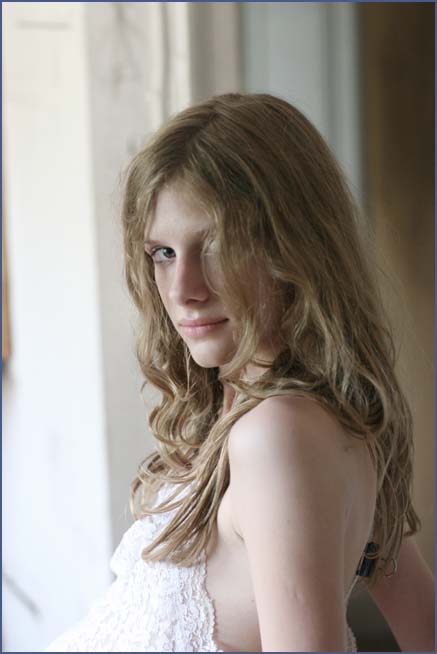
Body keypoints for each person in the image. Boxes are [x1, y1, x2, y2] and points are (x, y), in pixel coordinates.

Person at [46, 92, 434, 652]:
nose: (183, 290)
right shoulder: (283, 418)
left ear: (296, 247)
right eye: (163, 253)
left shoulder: (278, 436)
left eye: (217, 245)